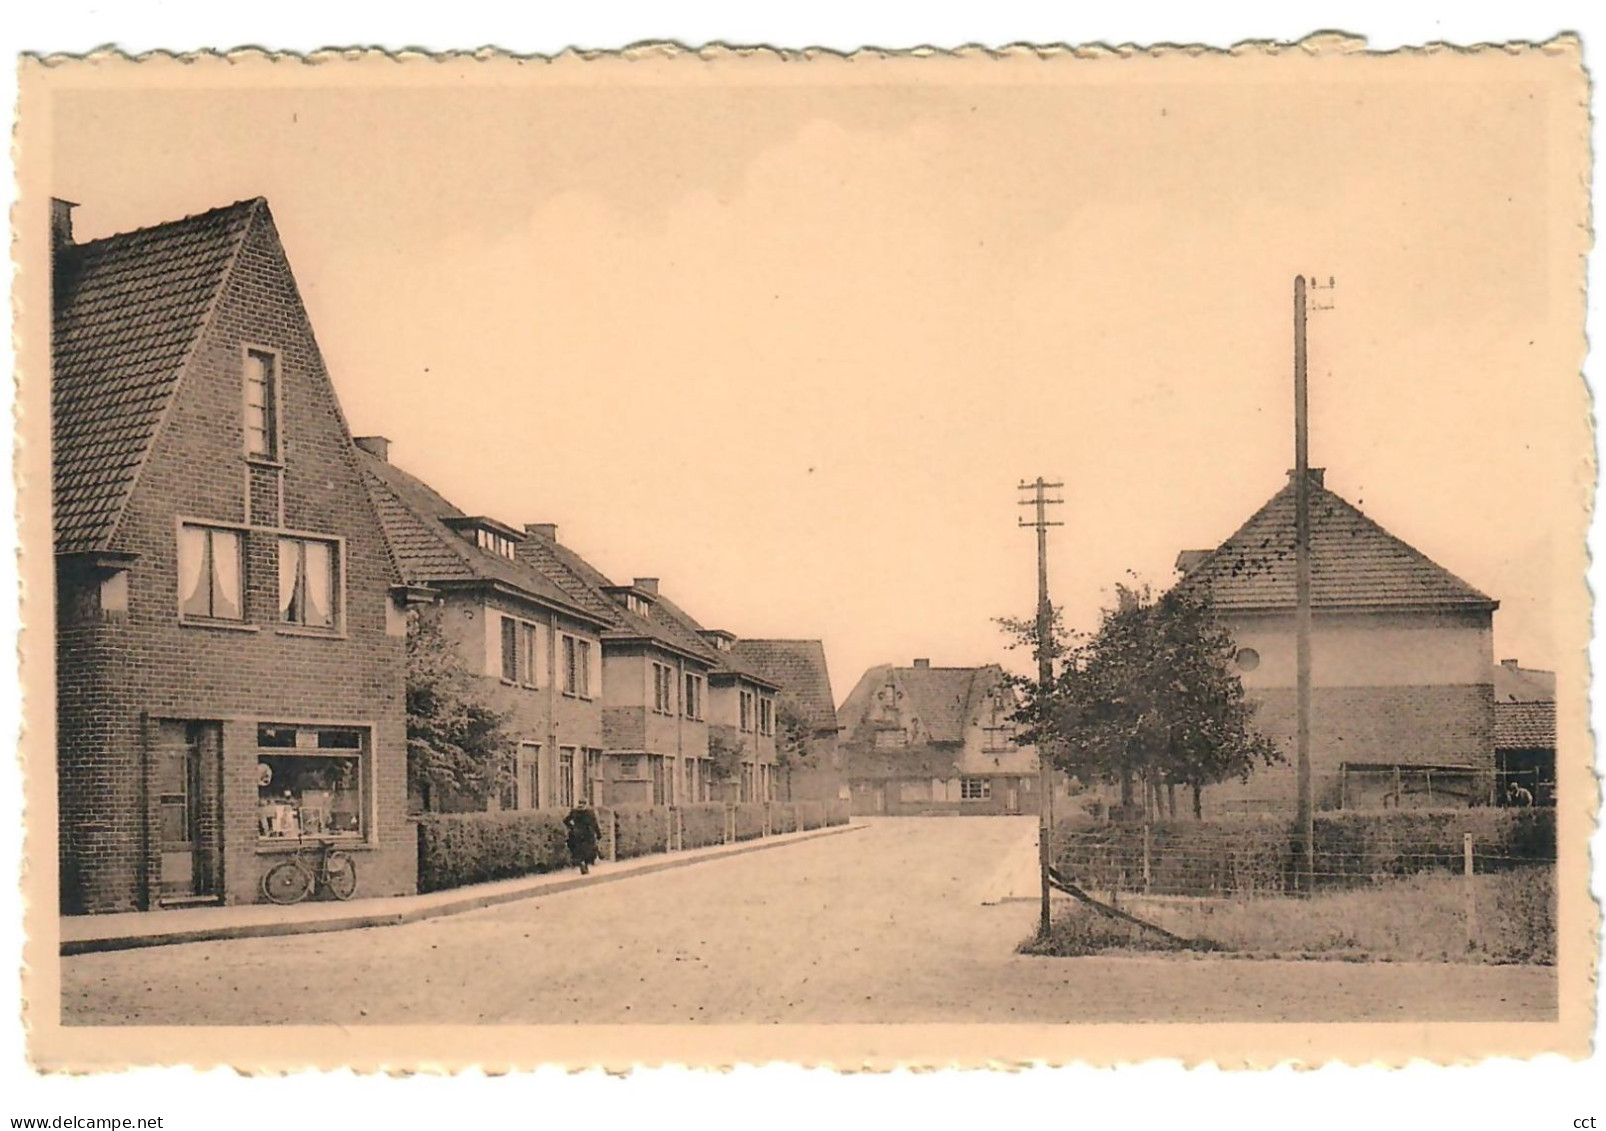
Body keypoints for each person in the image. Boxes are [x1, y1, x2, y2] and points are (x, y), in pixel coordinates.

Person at [563, 797, 602, 874]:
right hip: (588, 834)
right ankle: (585, 864)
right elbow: (594, 824)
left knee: (579, 850)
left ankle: (581, 863)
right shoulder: (590, 812)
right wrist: (598, 834)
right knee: (588, 850)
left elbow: (566, 820)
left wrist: (572, 827)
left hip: (577, 834)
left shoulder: (574, 811)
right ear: (585, 803)